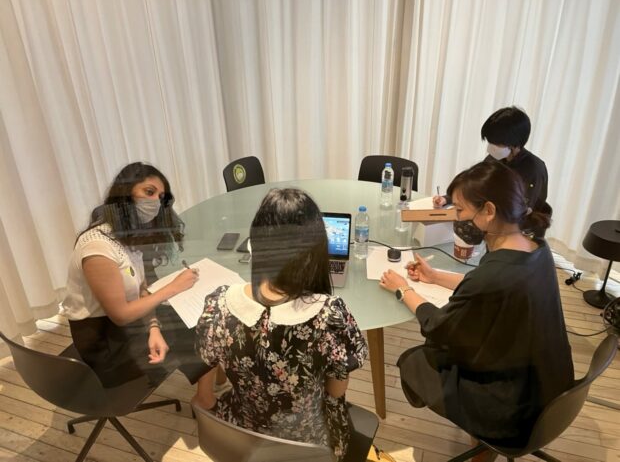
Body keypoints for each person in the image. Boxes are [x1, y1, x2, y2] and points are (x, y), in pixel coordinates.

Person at [380, 161, 573, 460]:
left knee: (418, 361)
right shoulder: (536, 248)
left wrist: (403, 289)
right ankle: (482, 446)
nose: (456, 218)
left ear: (489, 211)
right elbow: (488, 287)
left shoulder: (493, 277)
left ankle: (484, 444)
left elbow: (438, 328)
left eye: (459, 210)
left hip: (516, 408)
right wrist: (434, 277)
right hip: (552, 388)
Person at [195, 188, 370, 462]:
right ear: (314, 251)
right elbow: (336, 390)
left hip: (242, 433)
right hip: (307, 444)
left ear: (257, 244)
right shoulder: (329, 316)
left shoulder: (218, 303)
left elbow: (205, 360)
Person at [60, 162, 215, 409]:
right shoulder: (98, 247)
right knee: (200, 331)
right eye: (149, 192)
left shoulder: (128, 236)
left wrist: (154, 326)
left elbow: (142, 288)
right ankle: (206, 399)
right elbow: (121, 314)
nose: (155, 202)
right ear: (125, 194)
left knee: (199, 319)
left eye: (161, 197)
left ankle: (208, 385)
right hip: (104, 346)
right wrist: (173, 287)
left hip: (126, 325)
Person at [433, 107, 551, 231]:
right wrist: (447, 199)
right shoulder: (494, 158)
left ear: (513, 143)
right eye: (490, 141)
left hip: (518, 232)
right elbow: (475, 187)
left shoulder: (534, 169)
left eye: (496, 142)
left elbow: (520, 211)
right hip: (490, 224)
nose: (491, 146)